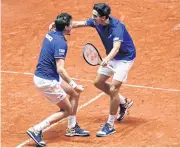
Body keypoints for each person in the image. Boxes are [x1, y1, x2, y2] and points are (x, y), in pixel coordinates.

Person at [50, 3, 136, 137]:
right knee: (98, 82)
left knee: (114, 88)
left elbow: (116, 47)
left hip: (124, 58)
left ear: (104, 17)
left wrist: (106, 59)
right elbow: (78, 24)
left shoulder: (117, 27)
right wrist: (59, 25)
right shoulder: (96, 22)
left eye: (95, 16)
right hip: (112, 58)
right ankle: (123, 102)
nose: (92, 17)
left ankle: (110, 125)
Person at [27, 13, 90, 147]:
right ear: (66, 27)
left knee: (74, 93)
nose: (73, 25)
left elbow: (61, 24)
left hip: (45, 75)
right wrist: (74, 84)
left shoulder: (51, 32)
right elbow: (60, 69)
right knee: (67, 110)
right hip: (47, 81)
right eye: (71, 24)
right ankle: (37, 129)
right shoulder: (61, 43)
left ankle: (72, 128)